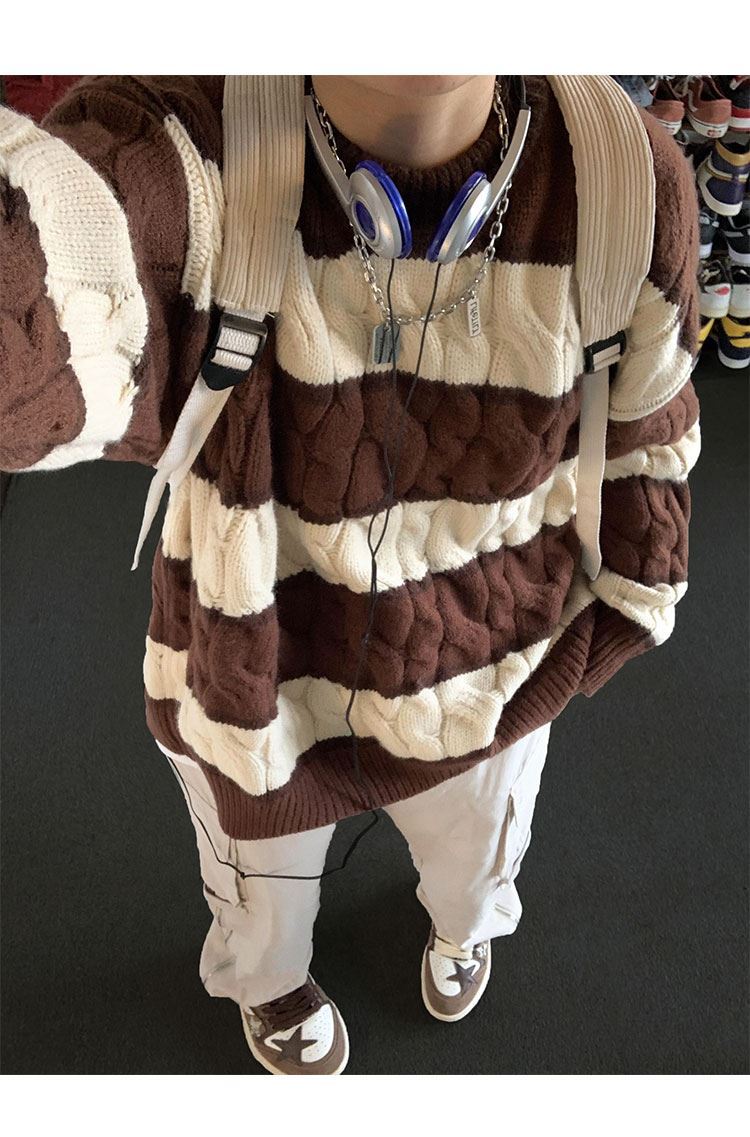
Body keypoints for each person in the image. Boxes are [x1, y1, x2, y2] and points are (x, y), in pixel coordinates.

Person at [0, 74, 701, 1076]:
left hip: (492, 675)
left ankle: (463, 925)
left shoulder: (625, 176)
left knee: (478, 869)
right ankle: (269, 982)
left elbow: (650, 432)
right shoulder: (188, 151)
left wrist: (612, 621)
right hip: (260, 687)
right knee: (258, 900)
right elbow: (51, 279)